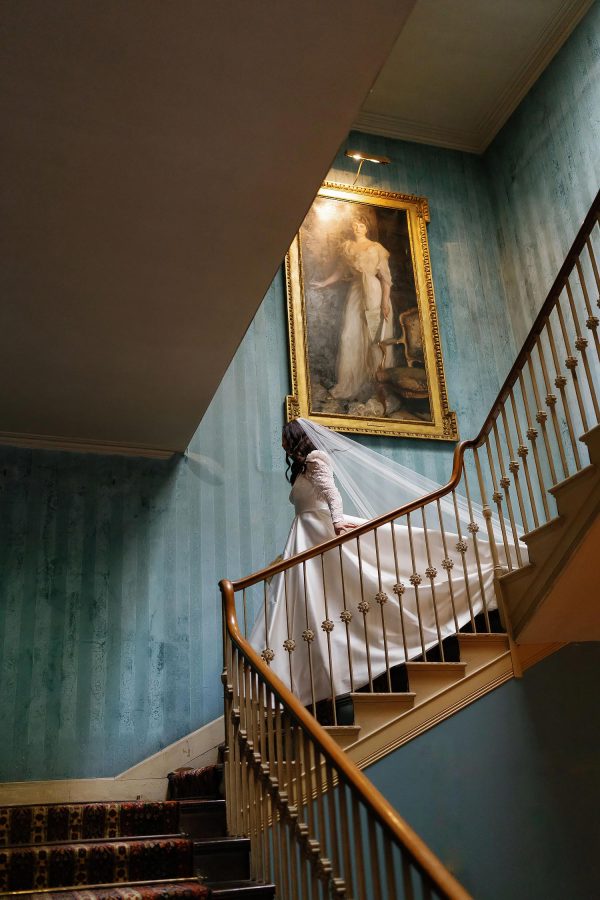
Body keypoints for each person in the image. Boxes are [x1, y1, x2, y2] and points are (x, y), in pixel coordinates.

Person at [249, 418, 520, 711]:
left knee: (379, 572)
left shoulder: (316, 458)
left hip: (321, 533)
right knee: (312, 606)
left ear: (295, 437)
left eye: (284, 437)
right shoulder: (301, 468)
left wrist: (339, 522)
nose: (281, 442)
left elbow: (332, 495)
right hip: (305, 538)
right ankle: (318, 682)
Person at [312, 214, 394, 401]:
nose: (358, 228)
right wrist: (324, 283)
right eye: (355, 225)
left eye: (362, 226)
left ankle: (377, 382)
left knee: (374, 337)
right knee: (349, 334)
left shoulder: (377, 248)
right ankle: (350, 383)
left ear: (367, 229)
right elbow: (340, 272)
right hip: (356, 291)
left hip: (374, 292)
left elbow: (386, 279)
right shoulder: (348, 248)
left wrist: (384, 303)